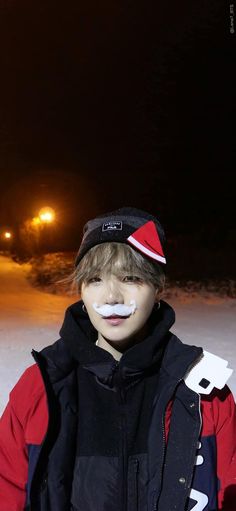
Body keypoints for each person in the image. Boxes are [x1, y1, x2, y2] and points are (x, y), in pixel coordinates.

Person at [0, 207, 235, 511]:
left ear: (158, 287)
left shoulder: (205, 395)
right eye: (95, 279)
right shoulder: (40, 388)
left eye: (130, 277)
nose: (111, 297)